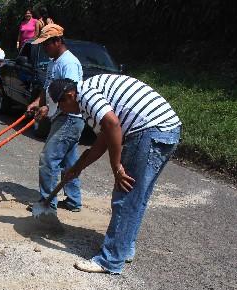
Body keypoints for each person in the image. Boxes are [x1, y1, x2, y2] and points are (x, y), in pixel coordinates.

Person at [47, 76, 181, 275]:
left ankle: (109, 260)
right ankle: (123, 249)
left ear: (69, 95)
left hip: (148, 131)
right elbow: (102, 141)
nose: (62, 110)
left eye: (61, 105)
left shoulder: (85, 95)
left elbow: (113, 125)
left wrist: (117, 167)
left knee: (125, 197)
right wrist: (77, 168)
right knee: (137, 197)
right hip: (167, 130)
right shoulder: (89, 96)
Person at [27, 24, 84, 212]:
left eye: (46, 45)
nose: (44, 49)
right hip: (60, 116)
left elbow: (71, 95)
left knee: (48, 159)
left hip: (69, 117)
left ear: (57, 41)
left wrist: (48, 108)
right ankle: (73, 200)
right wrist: (38, 102)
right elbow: (47, 87)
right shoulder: (54, 61)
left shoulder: (69, 63)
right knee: (69, 161)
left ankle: (47, 203)